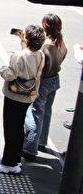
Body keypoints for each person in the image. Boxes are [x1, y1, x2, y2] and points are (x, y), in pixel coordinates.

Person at [0, 25, 45, 174]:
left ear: (27, 38)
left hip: (14, 96)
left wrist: (3, 69)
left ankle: (8, 163)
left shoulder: (18, 56)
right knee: (18, 128)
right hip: (28, 95)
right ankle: (16, 160)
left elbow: (10, 75)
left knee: (10, 129)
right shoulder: (41, 55)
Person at [23, 14, 67, 160]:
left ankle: (30, 148)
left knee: (35, 112)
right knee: (46, 111)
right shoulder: (60, 41)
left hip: (44, 81)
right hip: (55, 79)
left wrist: (24, 42)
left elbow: (35, 60)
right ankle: (41, 141)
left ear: (45, 26)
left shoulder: (46, 45)